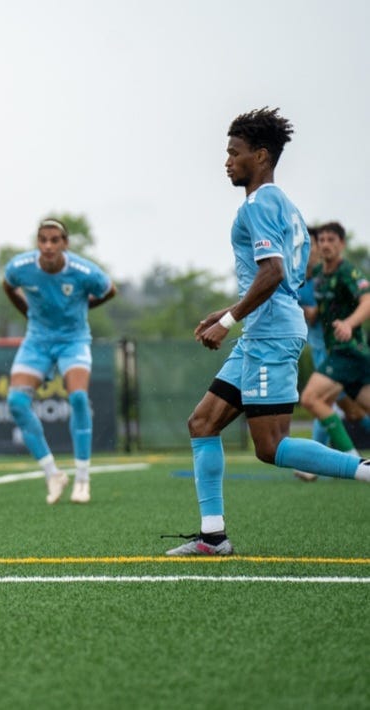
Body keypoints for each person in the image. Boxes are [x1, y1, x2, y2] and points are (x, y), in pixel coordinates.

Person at [167, 107, 370, 556]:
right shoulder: (285, 205)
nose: (227, 161)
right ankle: (213, 537)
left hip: (271, 335)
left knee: (270, 445)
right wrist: (229, 311)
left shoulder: (259, 204)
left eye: (234, 152)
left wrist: (228, 321)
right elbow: (279, 281)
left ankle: (364, 469)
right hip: (264, 331)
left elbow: (273, 273)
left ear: (260, 156)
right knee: (202, 423)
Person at [2, 218, 117, 505]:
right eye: (43, 240)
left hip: (73, 341)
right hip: (37, 342)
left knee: (78, 398)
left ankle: (82, 478)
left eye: (55, 240)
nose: (48, 246)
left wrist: (84, 307)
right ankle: (53, 474)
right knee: (16, 403)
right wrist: (27, 312)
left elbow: (110, 290)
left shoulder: (84, 271)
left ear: (65, 243)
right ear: (37, 243)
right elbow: (8, 285)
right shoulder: (19, 267)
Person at [294, 224, 370, 480]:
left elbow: (368, 300)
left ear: (341, 244)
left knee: (311, 398)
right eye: (322, 240)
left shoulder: (348, 271)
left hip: (347, 351)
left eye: (331, 240)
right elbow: (322, 302)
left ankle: (352, 462)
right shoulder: (318, 274)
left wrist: (349, 323)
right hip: (352, 357)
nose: (325, 244)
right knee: (357, 411)